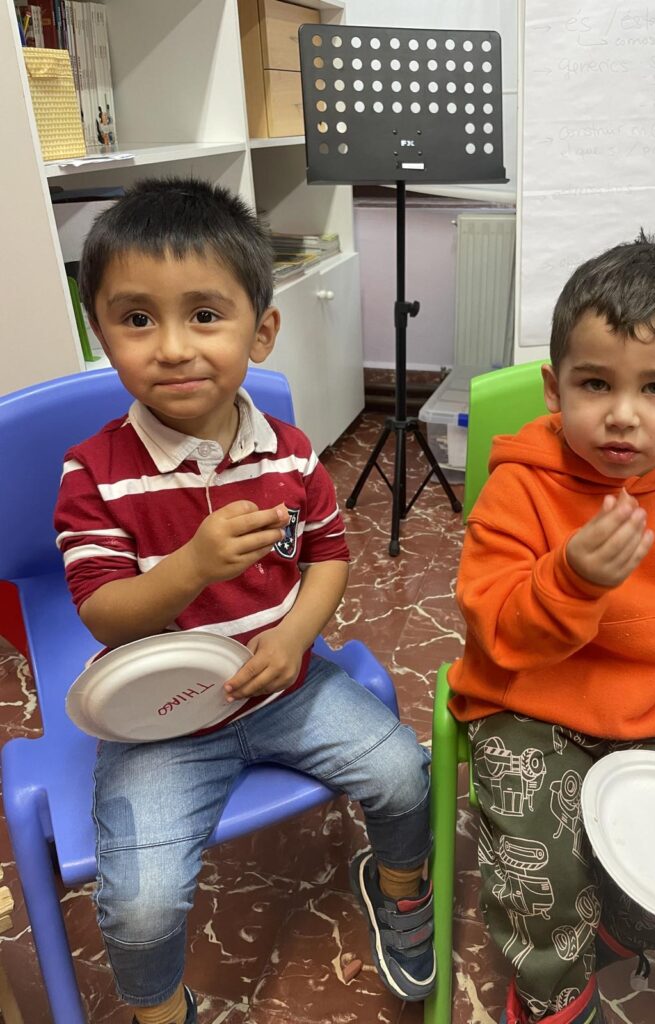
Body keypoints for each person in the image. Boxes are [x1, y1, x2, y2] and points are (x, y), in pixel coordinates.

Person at [54, 177, 435, 1024]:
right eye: (137, 319)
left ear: (261, 332)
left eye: (204, 315)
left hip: (284, 684)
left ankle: (399, 886)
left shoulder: (290, 454)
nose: (173, 348)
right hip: (163, 718)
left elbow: (328, 557)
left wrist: (295, 638)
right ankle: (164, 1011)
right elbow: (104, 614)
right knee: (141, 904)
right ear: (101, 333)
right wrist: (190, 566)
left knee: (404, 775)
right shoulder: (94, 474)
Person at [447, 233, 655, 1024]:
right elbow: (494, 626)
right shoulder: (521, 487)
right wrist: (571, 581)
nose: (622, 415)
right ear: (555, 389)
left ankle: (615, 936)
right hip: (524, 705)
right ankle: (554, 996)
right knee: (541, 875)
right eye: (595, 383)